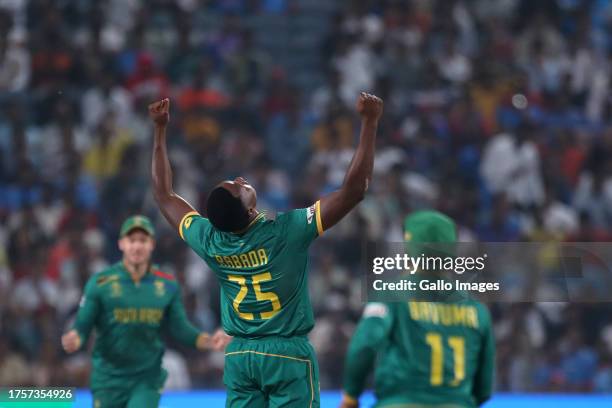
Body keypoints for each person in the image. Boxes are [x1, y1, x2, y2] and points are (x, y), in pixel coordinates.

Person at [148, 92, 383, 407]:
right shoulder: (287, 232)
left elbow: (164, 195)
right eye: (240, 188)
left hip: (241, 356)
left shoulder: (209, 239)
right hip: (286, 356)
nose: (242, 180)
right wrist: (370, 122)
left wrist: (159, 130)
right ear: (248, 212)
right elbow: (354, 191)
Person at [61, 215, 228, 408]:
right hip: (109, 378)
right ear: (122, 244)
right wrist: (76, 336)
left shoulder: (166, 285)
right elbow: (84, 322)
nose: (137, 246)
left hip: (146, 377)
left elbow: (180, 328)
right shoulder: (101, 283)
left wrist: (208, 341)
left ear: (151, 245)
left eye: (143, 240)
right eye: (132, 241)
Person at [340, 211, 495, 408]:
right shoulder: (477, 310)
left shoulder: (390, 295)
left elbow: (364, 345)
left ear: (408, 249)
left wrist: (351, 396)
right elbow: (483, 389)